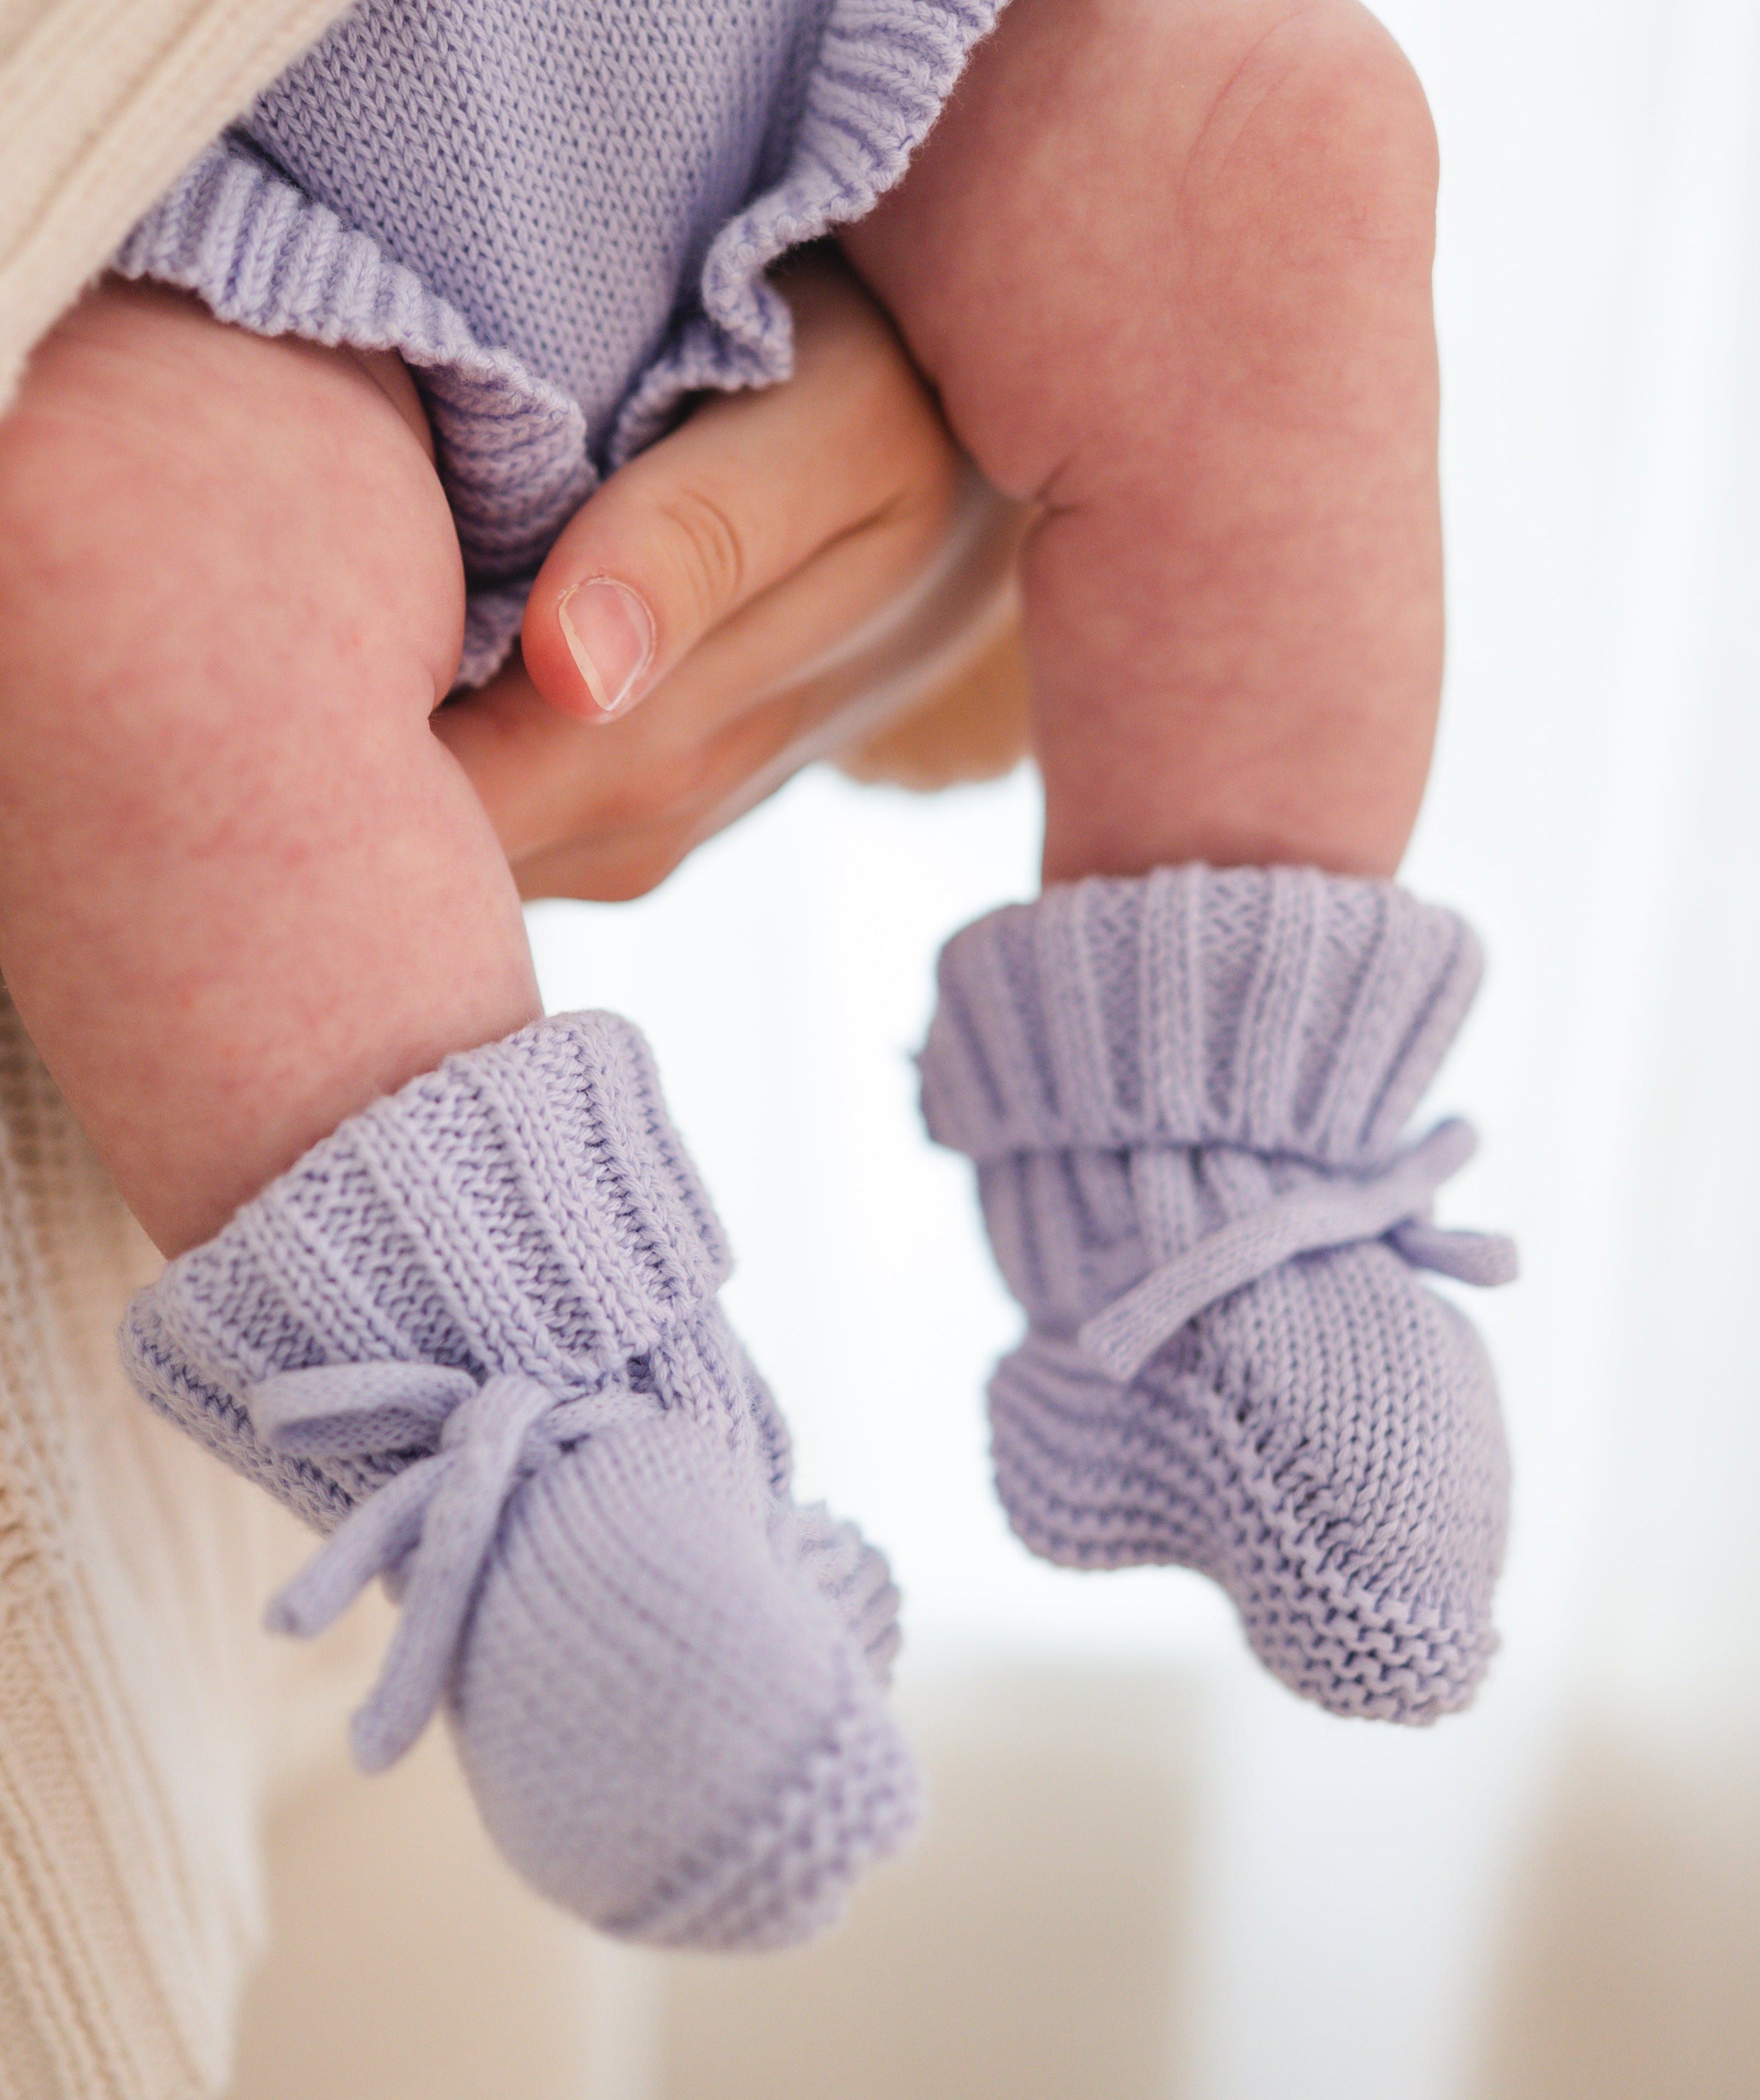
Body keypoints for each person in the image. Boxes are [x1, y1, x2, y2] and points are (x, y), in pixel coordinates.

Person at [0, 0, 1515, 1965]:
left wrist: (930, 517)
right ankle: (547, 1473)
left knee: (1277, 128)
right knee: (102, 558)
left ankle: (1211, 1169)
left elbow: (958, 635)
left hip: (746, 60)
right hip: (202, 230)